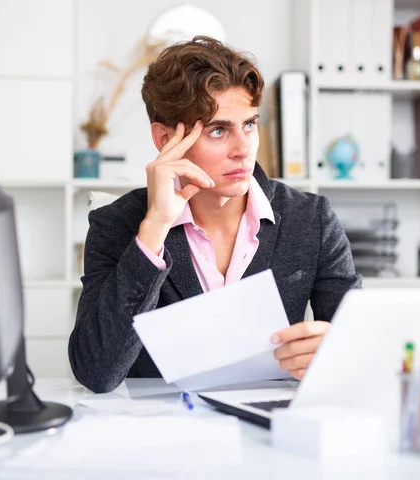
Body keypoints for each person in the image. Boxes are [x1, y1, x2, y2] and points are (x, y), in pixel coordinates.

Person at [69, 36, 361, 393]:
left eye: (250, 125)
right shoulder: (117, 224)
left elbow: (360, 347)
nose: (243, 150)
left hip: (269, 431)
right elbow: (96, 373)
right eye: (218, 130)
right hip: (164, 432)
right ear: (164, 140)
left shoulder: (311, 219)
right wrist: (155, 228)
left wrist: (335, 350)